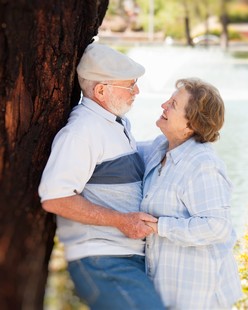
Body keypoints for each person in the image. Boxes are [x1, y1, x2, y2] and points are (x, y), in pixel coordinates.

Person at [38, 42, 164, 309]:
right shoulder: (82, 132)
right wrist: (121, 220)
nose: (137, 91)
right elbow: (54, 198)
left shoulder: (116, 123)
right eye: (130, 85)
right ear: (101, 90)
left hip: (125, 257)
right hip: (101, 259)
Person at [138, 78, 243, 309]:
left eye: (173, 104)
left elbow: (217, 226)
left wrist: (159, 226)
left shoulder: (202, 164)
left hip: (199, 296)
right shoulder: (160, 147)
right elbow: (121, 149)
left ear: (191, 125)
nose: (163, 105)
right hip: (166, 292)